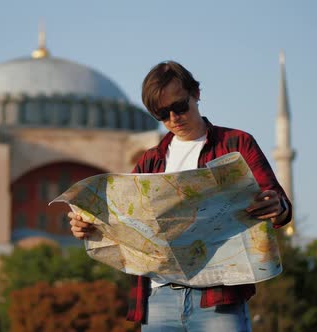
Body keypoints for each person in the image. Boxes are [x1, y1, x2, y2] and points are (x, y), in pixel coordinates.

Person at [68, 61, 292, 331]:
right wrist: (87, 226)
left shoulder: (236, 143)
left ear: (195, 93)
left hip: (218, 299)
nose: (174, 118)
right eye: (162, 114)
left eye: (179, 106)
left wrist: (274, 206)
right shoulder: (150, 161)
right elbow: (123, 222)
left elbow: (280, 205)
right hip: (159, 298)